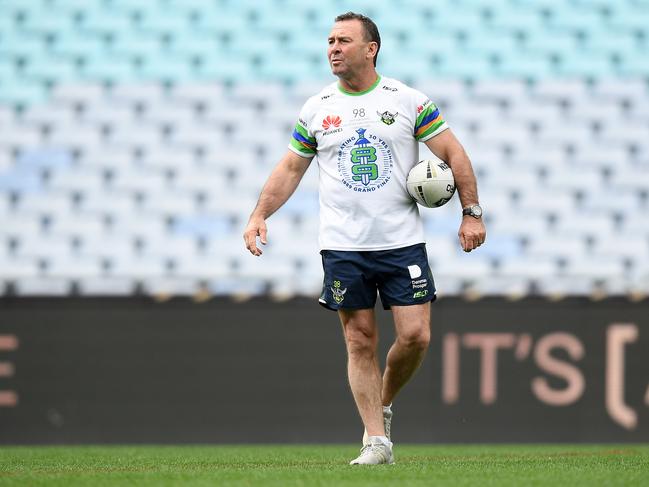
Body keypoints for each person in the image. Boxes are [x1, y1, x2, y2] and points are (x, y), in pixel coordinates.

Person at [243, 12, 486, 465]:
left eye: (344, 41)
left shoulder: (408, 100)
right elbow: (291, 168)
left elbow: (453, 153)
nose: (333, 48)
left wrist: (470, 213)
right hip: (343, 245)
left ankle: (384, 403)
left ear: (370, 48)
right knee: (359, 341)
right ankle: (376, 441)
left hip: (401, 243)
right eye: (330, 41)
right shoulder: (316, 108)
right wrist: (259, 214)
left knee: (416, 337)